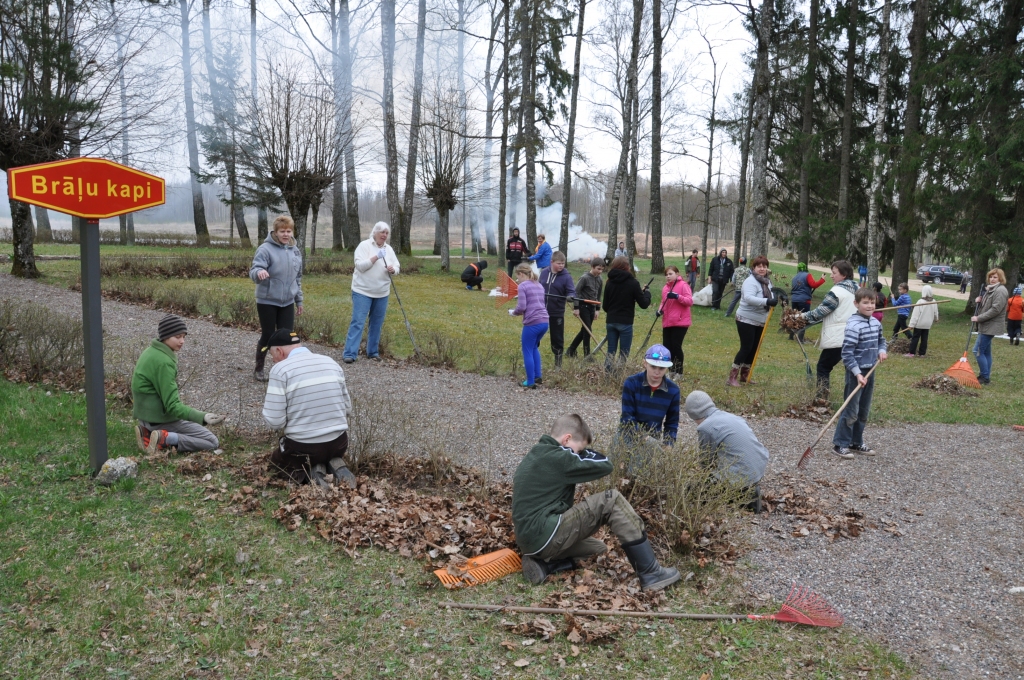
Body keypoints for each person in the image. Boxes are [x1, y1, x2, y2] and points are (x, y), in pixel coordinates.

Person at [512, 414, 680, 591]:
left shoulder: (537, 453)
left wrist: (576, 449)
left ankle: (544, 566)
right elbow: (606, 464)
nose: (578, 454)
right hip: (546, 532)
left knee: (597, 549)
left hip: (530, 542)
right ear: (567, 439)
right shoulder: (559, 456)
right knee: (611, 499)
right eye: (579, 449)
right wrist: (576, 452)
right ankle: (651, 573)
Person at [262, 329, 356, 489]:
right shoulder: (331, 362)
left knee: (276, 465)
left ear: (279, 351)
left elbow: (274, 422)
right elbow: (348, 409)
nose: (273, 361)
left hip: (303, 448)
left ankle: (311, 474)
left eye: (272, 356)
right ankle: (332, 465)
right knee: (323, 452)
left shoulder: (280, 370)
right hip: (339, 444)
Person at [132, 314, 223, 455]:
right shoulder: (164, 362)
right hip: (159, 419)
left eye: (184, 337)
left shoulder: (151, 351)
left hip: (145, 417)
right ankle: (164, 438)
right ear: (165, 336)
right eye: (178, 337)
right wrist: (203, 416)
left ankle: (148, 433)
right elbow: (173, 406)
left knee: (194, 431)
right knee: (211, 441)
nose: (182, 341)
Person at [684, 391, 769, 513]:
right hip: (758, 468)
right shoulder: (731, 417)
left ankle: (747, 497)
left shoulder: (705, 427)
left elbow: (706, 461)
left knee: (694, 491)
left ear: (692, 415)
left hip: (741, 475)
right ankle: (748, 489)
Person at [832, 288, 888, 459]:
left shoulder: (876, 323)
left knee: (863, 410)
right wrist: (857, 373)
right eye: (865, 302)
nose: (870, 305)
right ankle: (840, 444)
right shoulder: (853, 326)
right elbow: (847, 354)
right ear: (856, 304)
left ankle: (856, 442)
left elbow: (881, 340)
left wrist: (882, 350)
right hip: (856, 372)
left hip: (870, 370)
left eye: (872, 302)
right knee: (851, 410)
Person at [250, 215, 304, 381]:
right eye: (282, 231)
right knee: (268, 335)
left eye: (288, 231)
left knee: (287, 337)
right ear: (275, 232)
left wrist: (299, 300)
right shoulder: (265, 249)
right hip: (267, 300)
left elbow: (298, 278)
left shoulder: (295, 251)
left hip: (287, 301)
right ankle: (259, 369)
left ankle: (284, 372)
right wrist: (259, 273)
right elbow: (254, 270)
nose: (286, 234)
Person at [801, 260, 859, 400]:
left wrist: (800, 317)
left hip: (840, 337)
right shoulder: (858, 289)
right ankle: (852, 400)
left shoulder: (837, 291)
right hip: (855, 336)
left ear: (844, 275)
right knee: (851, 370)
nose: (831, 276)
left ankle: (821, 398)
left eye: (834, 273)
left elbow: (820, 312)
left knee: (823, 366)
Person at [343, 222, 399, 364]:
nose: (384, 235)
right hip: (362, 291)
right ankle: (350, 353)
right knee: (358, 322)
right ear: (374, 233)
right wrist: (375, 257)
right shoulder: (364, 246)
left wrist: (394, 270)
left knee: (376, 323)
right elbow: (360, 266)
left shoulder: (389, 249)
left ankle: (372, 352)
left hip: (382, 292)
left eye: (387, 233)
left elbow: (397, 265)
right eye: (382, 232)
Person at [619, 345, 680, 450]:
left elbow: (672, 422)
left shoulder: (673, 390)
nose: (657, 372)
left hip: (654, 438)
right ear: (645, 363)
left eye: (661, 368)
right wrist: (644, 438)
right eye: (653, 366)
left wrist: (668, 443)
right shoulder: (631, 383)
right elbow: (627, 417)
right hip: (627, 436)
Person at [730, 255, 778, 386]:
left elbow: (772, 295)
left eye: (764, 266)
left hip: (761, 320)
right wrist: (767, 301)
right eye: (759, 266)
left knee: (754, 348)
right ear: (754, 267)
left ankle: (745, 375)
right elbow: (749, 298)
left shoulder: (767, 282)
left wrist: (776, 299)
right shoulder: (750, 281)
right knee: (746, 347)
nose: (762, 269)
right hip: (746, 319)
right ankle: (732, 377)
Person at [602, 256, 652, 369]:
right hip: (625, 322)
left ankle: (607, 376)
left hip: (611, 321)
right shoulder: (633, 283)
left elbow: (605, 306)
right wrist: (647, 293)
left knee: (611, 352)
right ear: (627, 267)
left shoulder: (609, 282)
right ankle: (619, 376)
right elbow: (644, 304)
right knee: (623, 354)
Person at [511, 263, 549, 388]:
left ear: (521, 274)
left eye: (518, 277)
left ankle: (530, 381)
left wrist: (513, 312)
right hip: (544, 321)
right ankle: (538, 376)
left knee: (527, 350)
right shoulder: (539, 285)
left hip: (532, 323)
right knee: (533, 348)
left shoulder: (523, 286)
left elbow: (522, 307)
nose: (517, 280)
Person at [971, 268, 1009, 385]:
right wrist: (980, 300)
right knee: (986, 352)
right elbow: (988, 305)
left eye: (995, 277)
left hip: (991, 325)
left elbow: (995, 309)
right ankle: (985, 375)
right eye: (991, 277)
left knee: (977, 350)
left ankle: (985, 377)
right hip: (986, 325)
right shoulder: (991, 289)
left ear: (1000, 278)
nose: (992, 279)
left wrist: (979, 318)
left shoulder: (1001, 291)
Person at [538, 252, 577, 367]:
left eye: (563, 263)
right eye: (558, 263)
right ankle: (534, 357)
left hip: (556, 312)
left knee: (557, 337)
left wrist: (570, 297)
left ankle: (558, 363)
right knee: (536, 334)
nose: (561, 266)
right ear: (552, 262)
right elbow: (538, 287)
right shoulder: (544, 273)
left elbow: (571, 291)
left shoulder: (566, 276)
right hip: (540, 311)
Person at [567, 258, 604, 358]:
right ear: (592, 267)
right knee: (588, 331)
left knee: (585, 330)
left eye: (602, 269)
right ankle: (587, 355)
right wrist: (576, 307)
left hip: (592, 307)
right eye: (598, 269)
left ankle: (571, 350)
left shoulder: (600, 279)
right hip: (583, 306)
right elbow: (576, 292)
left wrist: (597, 309)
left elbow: (599, 295)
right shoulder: (584, 278)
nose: (600, 271)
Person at [659, 267, 692, 376]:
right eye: (666, 274)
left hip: (680, 322)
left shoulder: (683, 285)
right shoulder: (665, 288)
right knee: (667, 347)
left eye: (670, 274)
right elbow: (663, 302)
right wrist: (660, 310)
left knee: (676, 346)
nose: (668, 276)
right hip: (667, 322)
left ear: (677, 274)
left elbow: (690, 301)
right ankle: (671, 370)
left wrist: (678, 296)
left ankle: (679, 371)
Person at [789, 263, 825, 341]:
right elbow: (813, 285)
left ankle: (791, 336)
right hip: (804, 300)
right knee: (804, 318)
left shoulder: (794, 277)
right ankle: (801, 338)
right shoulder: (807, 275)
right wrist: (822, 279)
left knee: (794, 317)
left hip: (794, 300)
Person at [906, 285, 939, 357]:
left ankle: (912, 353)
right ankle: (922, 353)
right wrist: (936, 318)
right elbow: (935, 312)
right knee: (924, 339)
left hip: (919, 324)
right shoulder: (934, 301)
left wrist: (911, 325)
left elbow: (915, 315)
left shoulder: (920, 302)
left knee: (915, 338)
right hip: (927, 324)